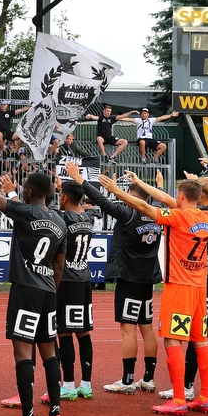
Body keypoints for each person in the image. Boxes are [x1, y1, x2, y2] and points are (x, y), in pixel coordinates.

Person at [98, 174, 208, 415]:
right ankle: (204, 396)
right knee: (200, 341)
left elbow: (143, 206)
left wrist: (117, 192)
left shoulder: (177, 216)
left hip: (179, 287)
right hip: (200, 287)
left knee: (173, 340)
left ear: (181, 196)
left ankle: (179, 399)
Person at [0, 163, 67, 416]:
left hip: (25, 289)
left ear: (28, 192)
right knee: (49, 351)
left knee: (22, 351)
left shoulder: (24, 212)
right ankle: (54, 414)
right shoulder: (60, 222)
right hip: (48, 290)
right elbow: (59, 266)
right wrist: (49, 286)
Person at [69, 163, 165, 396]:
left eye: (128, 197)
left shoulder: (128, 214)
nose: (125, 200)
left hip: (129, 278)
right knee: (147, 328)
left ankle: (128, 379)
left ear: (133, 199)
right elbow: (159, 198)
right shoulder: (158, 214)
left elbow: (102, 202)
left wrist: (81, 180)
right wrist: (159, 184)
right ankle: (149, 379)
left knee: (128, 329)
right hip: (148, 279)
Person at [163, 161, 208, 402]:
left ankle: (184, 390)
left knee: (196, 335)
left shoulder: (194, 215)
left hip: (196, 277)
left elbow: (172, 203)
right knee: (206, 333)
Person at [49, 175, 96, 401]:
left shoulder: (63, 218)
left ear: (65, 198)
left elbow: (52, 214)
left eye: (60, 196)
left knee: (64, 332)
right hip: (84, 279)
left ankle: (68, 384)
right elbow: (77, 207)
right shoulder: (88, 218)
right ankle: (86, 383)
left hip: (66, 280)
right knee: (84, 332)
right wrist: (65, 190)